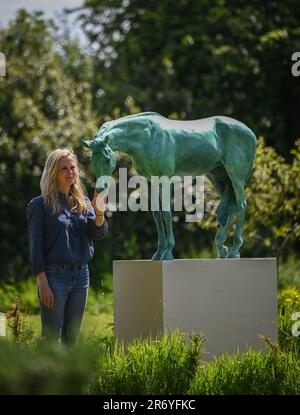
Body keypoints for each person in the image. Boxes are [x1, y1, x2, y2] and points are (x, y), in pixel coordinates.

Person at [27, 148, 108, 345]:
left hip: (81, 275)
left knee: (71, 339)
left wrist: (99, 214)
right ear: (53, 171)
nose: (70, 172)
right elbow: (35, 248)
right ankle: (44, 375)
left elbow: (97, 233)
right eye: (64, 168)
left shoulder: (84, 202)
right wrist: (42, 282)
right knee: (51, 337)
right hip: (54, 276)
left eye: (73, 167)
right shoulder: (40, 204)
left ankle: (68, 376)